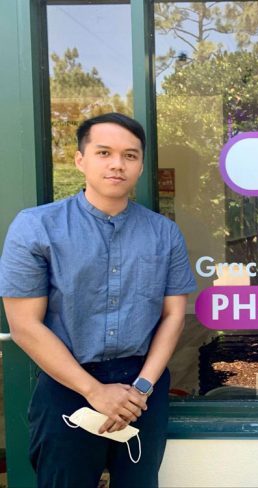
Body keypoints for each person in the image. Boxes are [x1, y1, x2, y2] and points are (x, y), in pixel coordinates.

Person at [0, 112, 196, 487]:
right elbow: (24, 325)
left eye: (130, 155)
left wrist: (140, 389)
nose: (117, 164)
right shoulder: (36, 227)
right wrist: (94, 391)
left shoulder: (164, 233)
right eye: (104, 152)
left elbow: (174, 316)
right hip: (66, 384)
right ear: (80, 160)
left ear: (140, 166)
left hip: (142, 387)